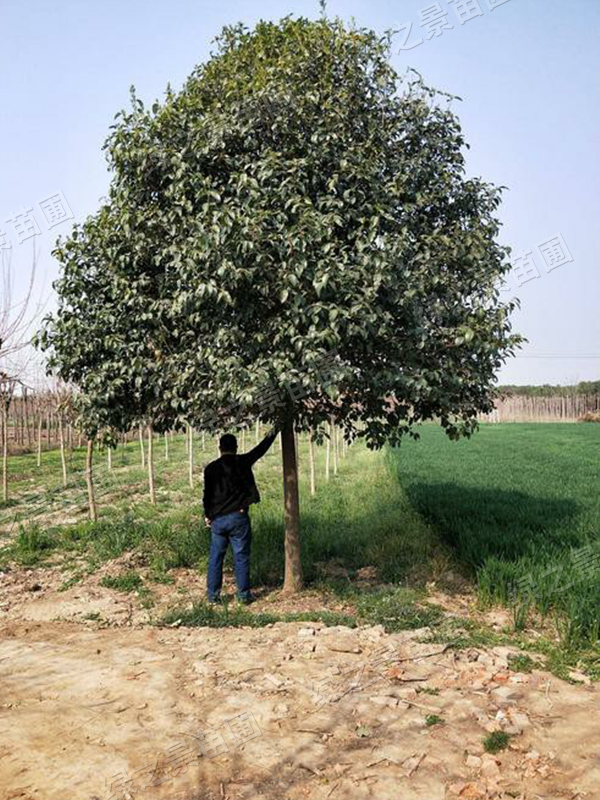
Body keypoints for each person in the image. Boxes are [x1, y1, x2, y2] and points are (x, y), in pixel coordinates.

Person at [203, 425, 278, 604]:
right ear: (236, 448)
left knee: (216, 558)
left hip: (218, 520)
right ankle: (243, 596)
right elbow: (261, 448)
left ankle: (213, 597)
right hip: (238, 517)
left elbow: (207, 495)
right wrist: (275, 429)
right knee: (241, 556)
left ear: (220, 448)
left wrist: (207, 515)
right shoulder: (243, 461)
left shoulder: (210, 469)